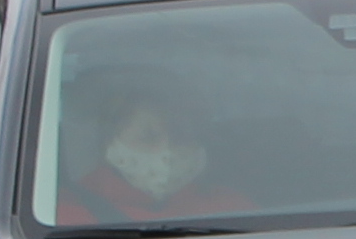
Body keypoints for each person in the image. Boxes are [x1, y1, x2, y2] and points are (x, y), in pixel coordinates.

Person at [55, 91, 245, 228]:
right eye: (148, 137)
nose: (167, 150)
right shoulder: (65, 213)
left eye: (179, 136)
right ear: (110, 143)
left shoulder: (231, 208)